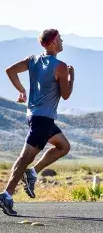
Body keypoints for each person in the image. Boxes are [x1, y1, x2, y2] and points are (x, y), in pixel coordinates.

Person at [0, 29, 74, 216]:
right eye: (60, 38)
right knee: (25, 157)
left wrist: (21, 90)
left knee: (63, 146)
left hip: (35, 116)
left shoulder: (33, 60)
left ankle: (33, 173)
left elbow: (10, 70)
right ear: (54, 41)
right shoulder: (61, 66)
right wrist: (71, 77)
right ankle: (7, 195)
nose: (62, 41)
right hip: (43, 119)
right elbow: (65, 95)